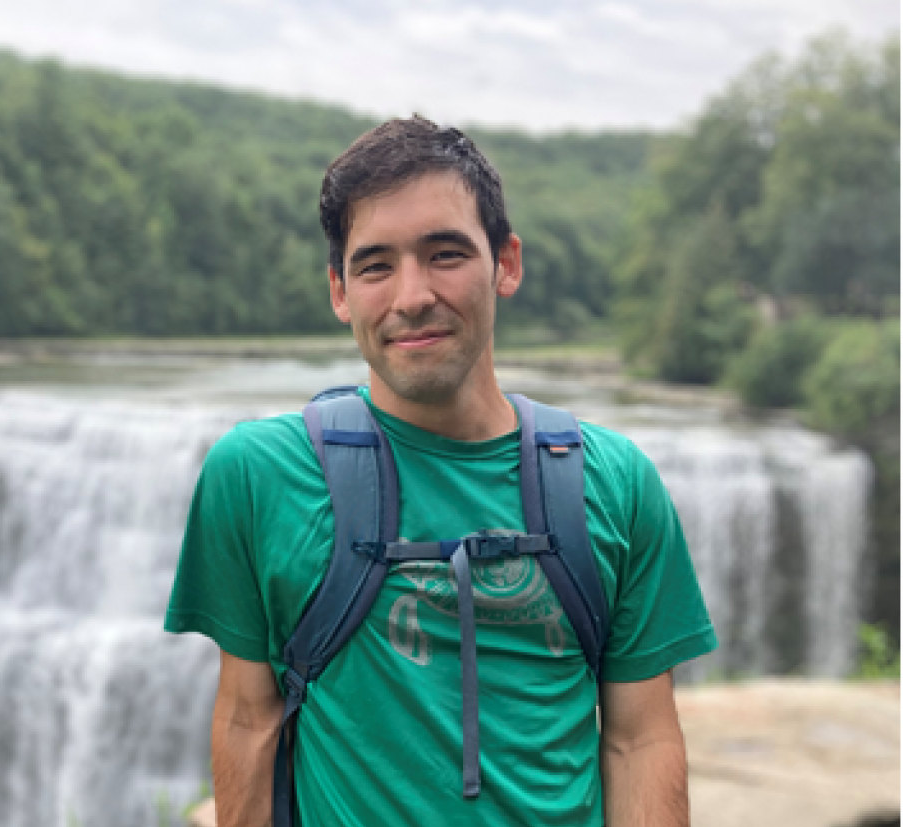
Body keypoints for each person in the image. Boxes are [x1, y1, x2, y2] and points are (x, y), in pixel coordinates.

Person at [163, 116, 717, 827]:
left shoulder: (614, 481)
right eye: (375, 265)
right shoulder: (256, 474)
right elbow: (248, 720)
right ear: (339, 291)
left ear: (506, 263)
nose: (412, 294)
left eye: (445, 253)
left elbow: (640, 739)